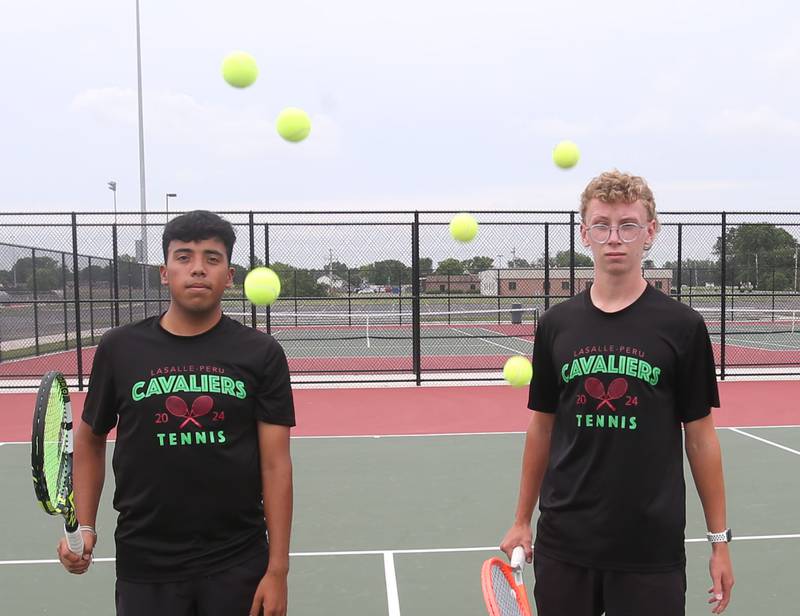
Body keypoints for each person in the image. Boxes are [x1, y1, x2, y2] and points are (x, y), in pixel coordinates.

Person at [500, 170, 734, 615]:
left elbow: (701, 438)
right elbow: (542, 428)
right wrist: (520, 520)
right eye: (602, 225)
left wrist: (719, 541)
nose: (614, 238)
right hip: (565, 544)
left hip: (650, 550)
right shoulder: (556, 325)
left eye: (627, 225)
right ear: (584, 233)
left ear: (650, 232)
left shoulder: (683, 327)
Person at [57, 210, 295, 616]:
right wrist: (86, 524)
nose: (198, 269)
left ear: (230, 276)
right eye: (184, 257)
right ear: (164, 272)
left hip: (238, 560)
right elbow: (90, 438)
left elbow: (276, 464)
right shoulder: (119, 348)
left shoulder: (262, 353)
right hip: (146, 562)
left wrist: (278, 571)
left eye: (211, 258)